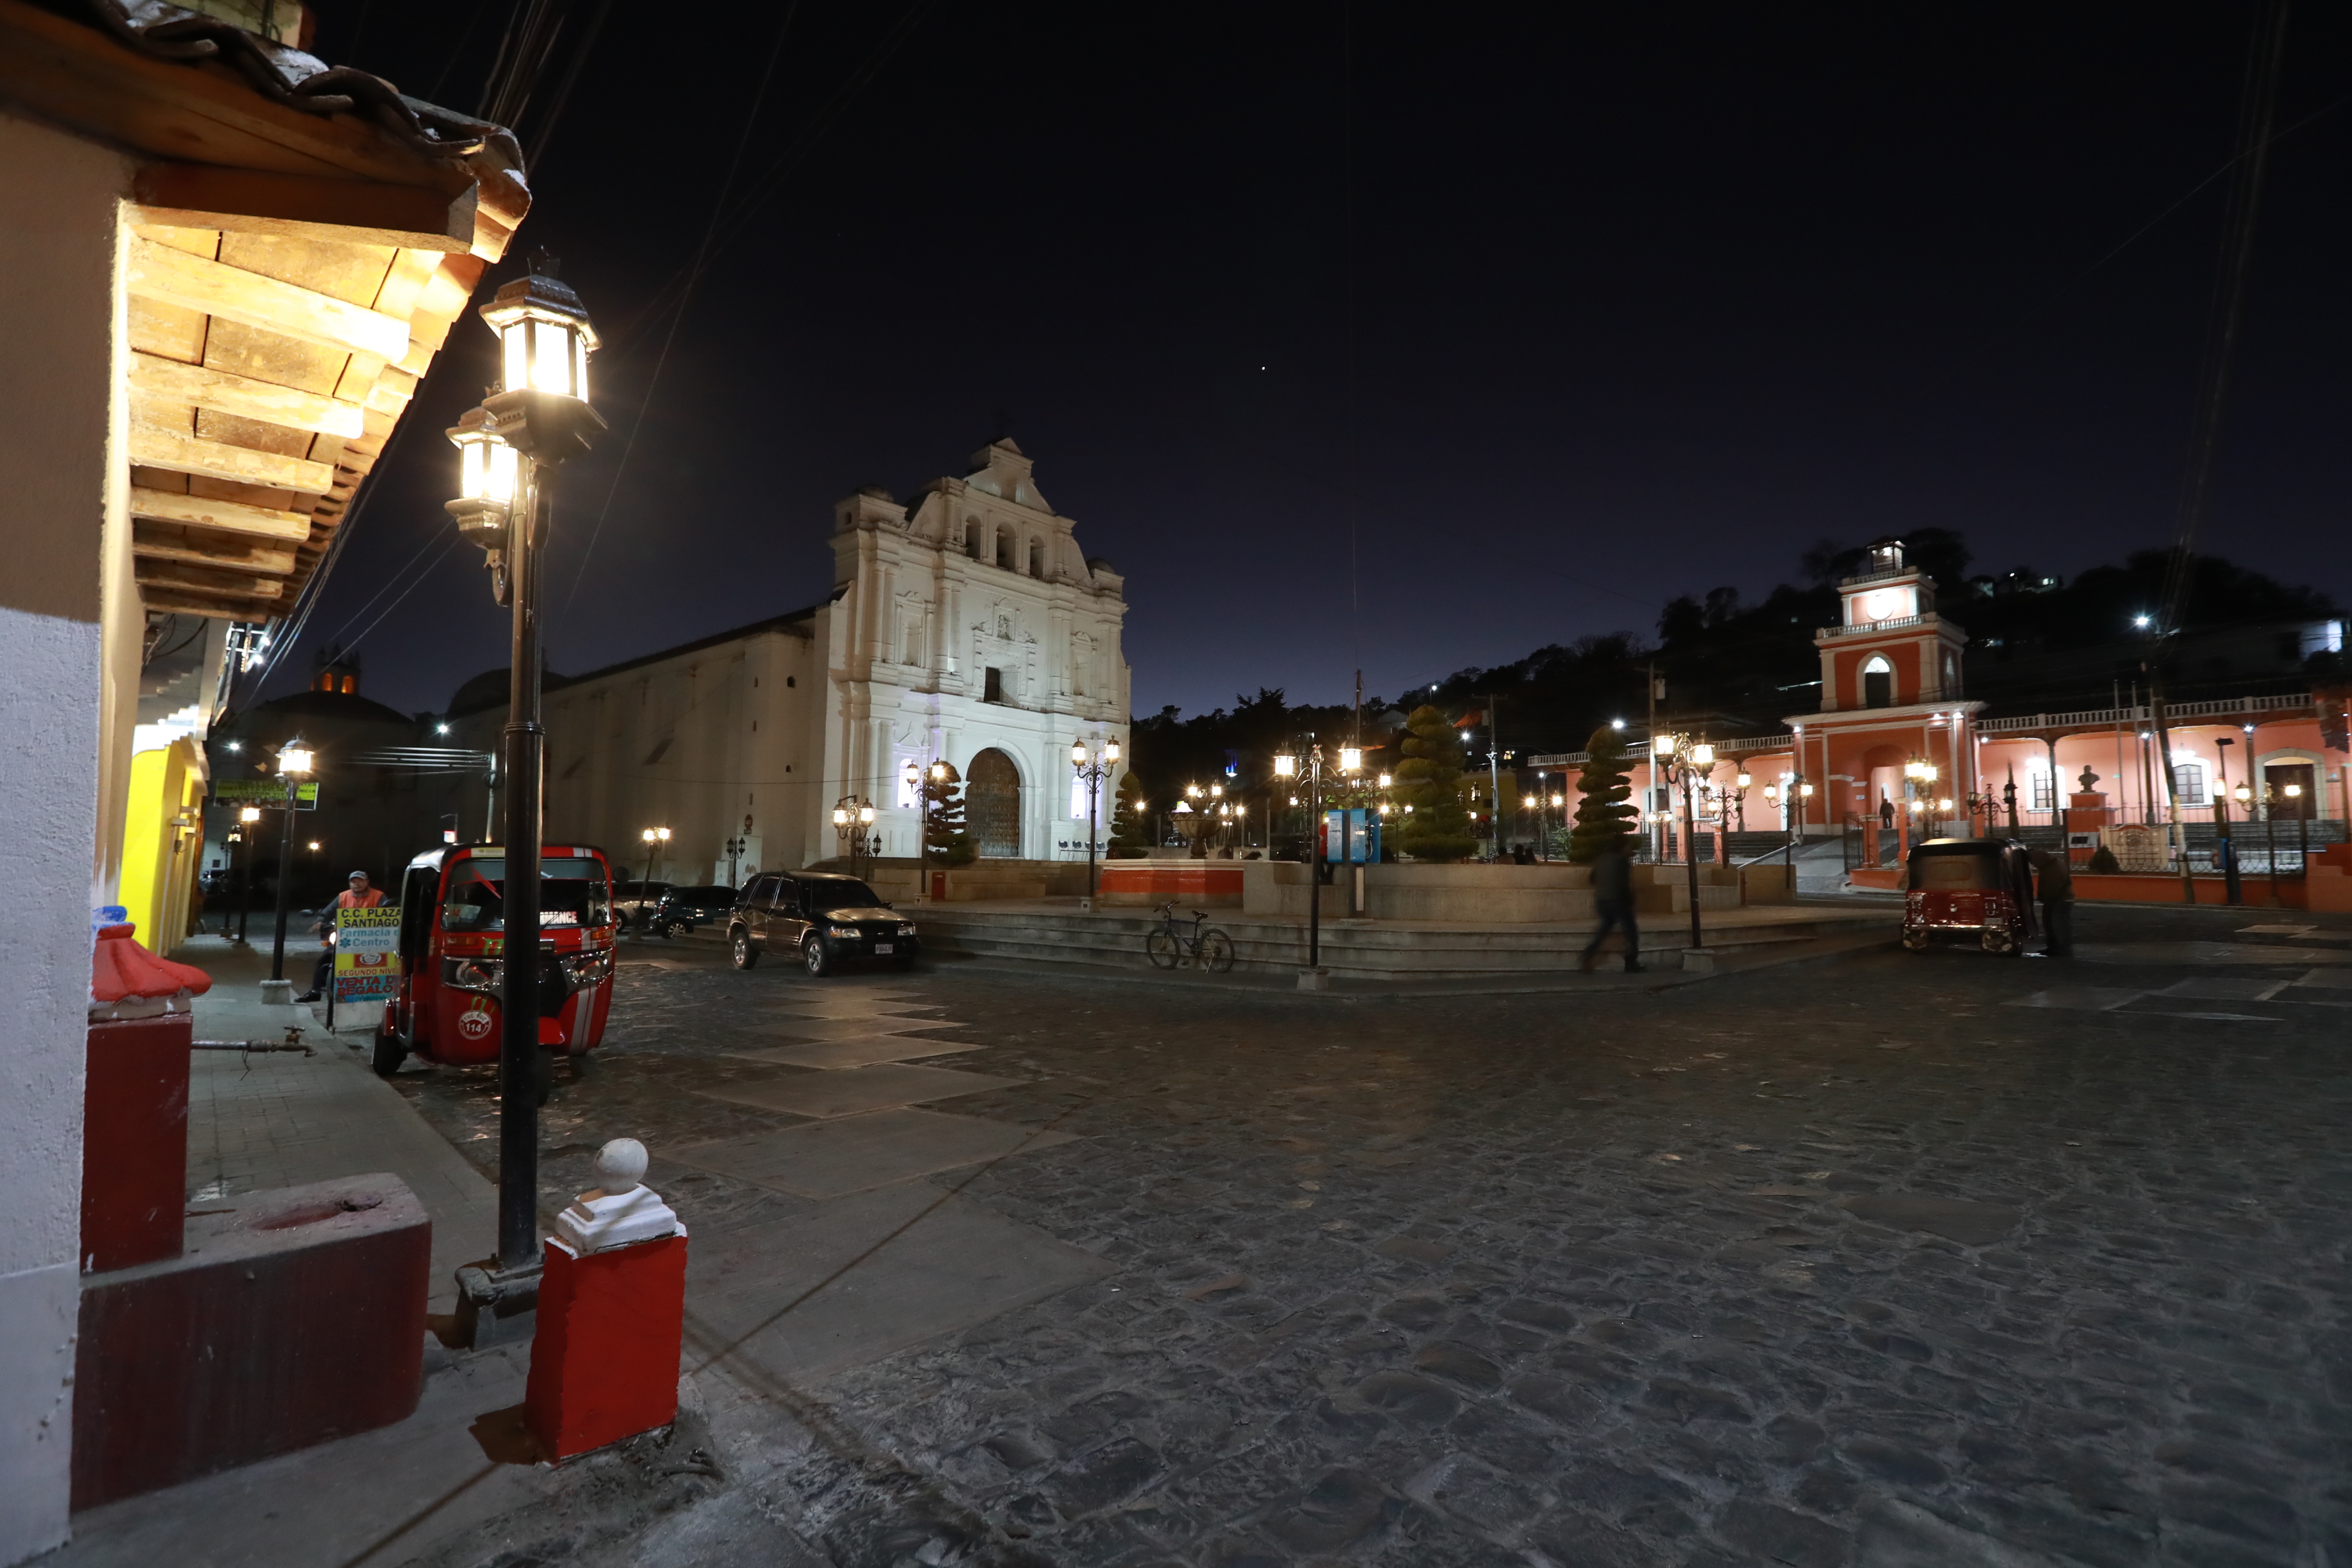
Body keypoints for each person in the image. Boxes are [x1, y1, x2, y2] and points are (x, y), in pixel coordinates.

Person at [296, 870, 386, 1003]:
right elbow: (328, 912)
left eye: (360, 881)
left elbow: (389, 913)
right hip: (345, 937)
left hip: (370, 939)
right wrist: (319, 922)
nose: (357, 884)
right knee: (325, 958)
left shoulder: (378, 896)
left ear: (367, 882)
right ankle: (315, 991)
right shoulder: (343, 896)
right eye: (353, 881)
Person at [1580, 834, 1643, 974]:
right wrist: (1631, 902)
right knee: (1631, 931)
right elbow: (1623, 884)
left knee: (1605, 928)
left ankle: (1589, 953)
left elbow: (1592, 879)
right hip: (1618, 901)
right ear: (1623, 846)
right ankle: (1631, 962)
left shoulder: (1602, 858)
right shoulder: (1622, 861)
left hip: (1602, 901)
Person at [2029, 848, 2075, 957]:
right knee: (2053, 925)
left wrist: (2046, 899)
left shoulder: (2053, 869)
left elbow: (2053, 889)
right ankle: (2055, 948)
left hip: (2059, 901)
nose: (2034, 865)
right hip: (2057, 900)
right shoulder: (2051, 865)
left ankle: (2063, 950)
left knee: (2059, 925)